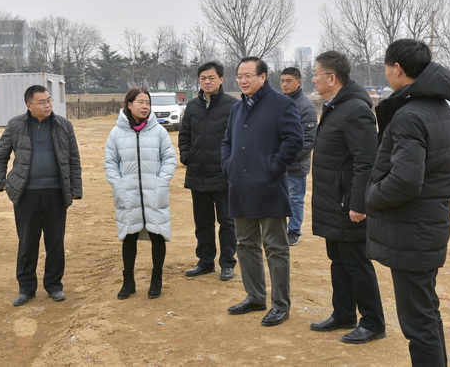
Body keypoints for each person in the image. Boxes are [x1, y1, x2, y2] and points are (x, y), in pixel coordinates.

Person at [365, 39, 450, 366]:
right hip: (426, 224)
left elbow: (405, 180)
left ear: (398, 69)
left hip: (412, 230)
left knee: (418, 322)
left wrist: (372, 196)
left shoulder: (410, 115)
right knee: (426, 313)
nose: (386, 73)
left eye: (386, 67)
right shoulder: (438, 108)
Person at [309, 51, 386, 344]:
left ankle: (373, 322)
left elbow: (366, 160)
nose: (313, 79)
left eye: (316, 74)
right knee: (338, 260)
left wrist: (358, 204)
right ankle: (343, 313)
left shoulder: (355, 109)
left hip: (347, 203)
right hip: (333, 200)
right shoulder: (336, 105)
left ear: (331, 78)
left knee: (356, 263)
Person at [222, 57, 303, 327]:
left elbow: (294, 140)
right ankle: (255, 296)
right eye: (239, 76)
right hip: (240, 187)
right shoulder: (237, 108)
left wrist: (273, 167)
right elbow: (227, 142)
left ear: (263, 77)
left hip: (269, 187)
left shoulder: (282, 104)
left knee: (275, 248)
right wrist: (229, 165)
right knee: (245, 244)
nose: (243, 81)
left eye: (248, 75)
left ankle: (281, 304)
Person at [0, 85, 82, 306]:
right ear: (29, 105)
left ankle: (54, 286)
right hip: (26, 194)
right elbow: (0, 155)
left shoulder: (63, 125)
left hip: (56, 193)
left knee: (55, 242)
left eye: (49, 100)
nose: (48, 105)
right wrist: (2, 183)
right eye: (42, 102)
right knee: (27, 243)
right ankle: (26, 289)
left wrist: (75, 189)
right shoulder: (15, 125)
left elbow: (73, 159)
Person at [104, 87, 176, 300]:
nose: (145, 107)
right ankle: (128, 281)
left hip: (155, 192)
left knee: (157, 234)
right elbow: (110, 162)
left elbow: (169, 158)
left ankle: (156, 279)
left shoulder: (159, 131)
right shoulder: (116, 133)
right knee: (129, 235)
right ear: (129, 104)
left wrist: (161, 181)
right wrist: (118, 184)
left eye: (148, 103)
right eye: (140, 102)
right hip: (128, 193)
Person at [178, 62, 237, 281]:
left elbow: (238, 139)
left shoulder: (233, 106)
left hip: (223, 175)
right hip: (198, 173)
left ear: (221, 79)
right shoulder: (192, 106)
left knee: (227, 222)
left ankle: (227, 263)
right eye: (203, 78)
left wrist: (230, 164)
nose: (207, 82)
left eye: (211, 77)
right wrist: (187, 156)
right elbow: (184, 134)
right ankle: (205, 262)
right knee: (202, 222)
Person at [279, 67, 318, 246]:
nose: (285, 84)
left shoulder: (306, 106)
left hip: (295, 164)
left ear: (299, 82)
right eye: (282, 81)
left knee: (295, 199)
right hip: (278, 162)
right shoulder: (279, 102)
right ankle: (280, 229)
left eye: (288, 81)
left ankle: (294, 230)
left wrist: (288, 157)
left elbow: (308, 141)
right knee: (279, 197)